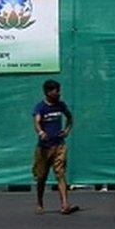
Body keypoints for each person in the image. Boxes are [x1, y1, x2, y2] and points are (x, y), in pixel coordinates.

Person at [32, 79, 78, 215]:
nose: (58, 93)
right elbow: (36, 122)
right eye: (56, 91)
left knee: (60, 174)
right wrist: (41, 132)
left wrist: (67, 130)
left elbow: (69, 117)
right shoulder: (40, 107)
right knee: (41, 177)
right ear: (48, 92)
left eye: (59, 90)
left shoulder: (61, 105)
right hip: (44, 149)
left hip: (59, 146)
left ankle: (65, 204)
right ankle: (40, 203)